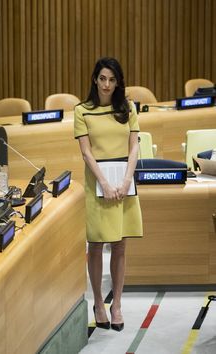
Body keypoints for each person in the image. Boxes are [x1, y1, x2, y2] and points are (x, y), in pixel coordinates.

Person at [74, 57, 143, 331]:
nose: (106, 84)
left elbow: (134, 147)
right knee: (96, 245)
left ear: (118, 82)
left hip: (124, 184)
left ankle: (117, 306)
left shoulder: (128, 108)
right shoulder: (82, 110)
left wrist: (126, 181)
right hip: (97, 183)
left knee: (120, 244)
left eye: (112, 80)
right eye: (102, 78)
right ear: (95, 79)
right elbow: (86, 151)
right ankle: (99, 305)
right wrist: (104, 182)